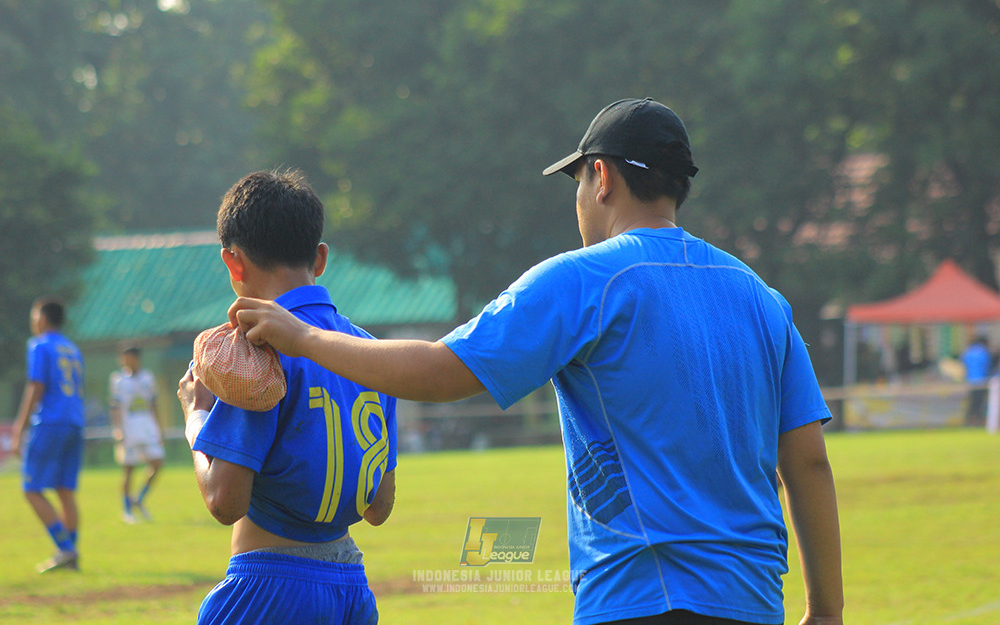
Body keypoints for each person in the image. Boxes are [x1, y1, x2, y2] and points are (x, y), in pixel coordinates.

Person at [229, 99, 844, 625]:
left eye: (577, 182)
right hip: (756, 599)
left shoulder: (584, 280)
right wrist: (826, 610)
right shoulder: (761, 297)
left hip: (642, 597)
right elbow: (808, 462)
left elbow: (443, 371)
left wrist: (303, 339)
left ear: (600, 177)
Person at [177, 169, 397, 625]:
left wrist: (194, 417)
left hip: (268, 590)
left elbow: (224, 502)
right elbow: (379, 506)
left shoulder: (253, 351)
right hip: (352, 592)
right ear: (320, 258)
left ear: (233, 263)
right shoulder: (372, 353)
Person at [12, 297, 85, 573]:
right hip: (74, 422)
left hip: (51, 422)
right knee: (65, 490)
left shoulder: (39, 345)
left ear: (42, 319)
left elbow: (36, 386)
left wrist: (20, 426)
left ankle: (66, 548)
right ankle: (71, 555)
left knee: (31, 489)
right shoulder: (72, 348)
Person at [109, 345, 165, 523]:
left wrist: (160, 428)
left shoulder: (148, 378)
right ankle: (127, 510)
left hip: (147, 428)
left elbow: (154, 404)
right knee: (128, 468)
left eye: (129, 357)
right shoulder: (118, 380)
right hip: (129, 429)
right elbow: (115, 407)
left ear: (136, 358)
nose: (125, 361)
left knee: (157, 463)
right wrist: (117, 429)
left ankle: (139, 500)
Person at [962, 336, 992, 426]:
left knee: (972, 402)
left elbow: (964, 365)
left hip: (970, 381)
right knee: (980, 402)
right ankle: (979, 420)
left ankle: (969, 420)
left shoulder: (968, 352)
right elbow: (988, 366)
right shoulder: (984, 352)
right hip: (982, 381)